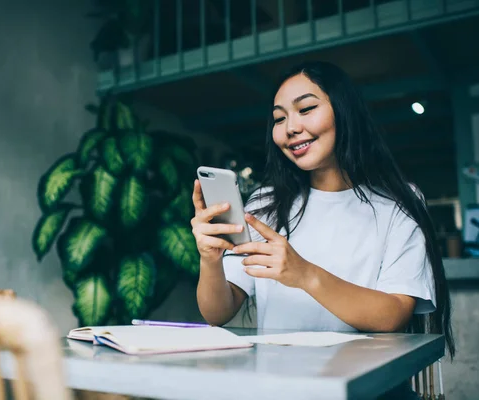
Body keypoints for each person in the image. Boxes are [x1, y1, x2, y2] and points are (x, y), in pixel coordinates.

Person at [191, 61, 454, 398]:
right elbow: (218, 312)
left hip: (371, 390)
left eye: (307, 109)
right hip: (279, 388)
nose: (290, 128)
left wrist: (304, 274)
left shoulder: (398, 202)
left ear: (344, 112)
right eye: (279, 118)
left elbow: (394, 315)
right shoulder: (264, 204)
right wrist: (209, 259)